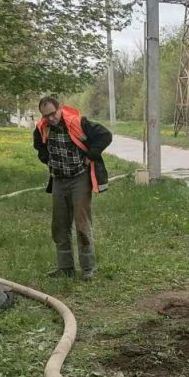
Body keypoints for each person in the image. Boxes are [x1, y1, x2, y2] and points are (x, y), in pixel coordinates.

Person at [33, 96, 112, 280]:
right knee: (59, 225)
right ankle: (65, 267)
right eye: (47, 116)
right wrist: (47, 159)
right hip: (59, 180)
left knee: (82, 223)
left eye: (53, 113)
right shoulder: (42, 128)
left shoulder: (78, 122)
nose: (51, 118)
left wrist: (90, 155)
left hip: (79, 178)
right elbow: (38, 146)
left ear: (59, 109)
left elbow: (105, 135)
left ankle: (88, 268)